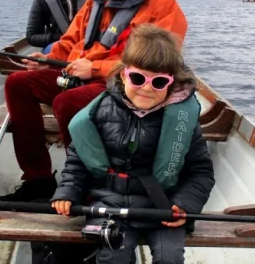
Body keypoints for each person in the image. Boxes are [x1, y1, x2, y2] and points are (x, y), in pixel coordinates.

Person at [0, 0, 188, 202]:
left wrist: (95, 69)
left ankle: (86, 188)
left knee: (68, 103)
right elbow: (71, 38)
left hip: (125, 85)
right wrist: (48, 59)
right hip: (79, 75)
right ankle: (38, 179)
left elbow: (160, 65)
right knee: (17, 83)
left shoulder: (163, 4)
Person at [50, 24, 215, 264]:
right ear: (123, 74)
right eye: (138, 78)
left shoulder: (182, 121)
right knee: (111, 257)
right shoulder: (100, 111)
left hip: (162, 206)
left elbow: (201, 173)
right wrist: (67, 192)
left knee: (170, 259)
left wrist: (184, 205)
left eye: (159, 82)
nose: (147, 88)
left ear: (172, 82)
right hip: (108, 203)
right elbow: (78, 162)